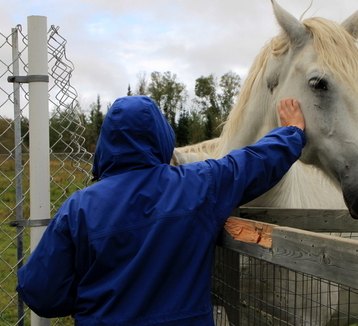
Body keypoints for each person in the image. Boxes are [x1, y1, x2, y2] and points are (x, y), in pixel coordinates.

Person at [16, 95, 306, 325]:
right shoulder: (199, 185)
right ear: (162, 138)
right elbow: (253, 162)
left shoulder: (79, 207)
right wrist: (292, 132)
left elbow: (42, 293)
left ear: (105, 143)